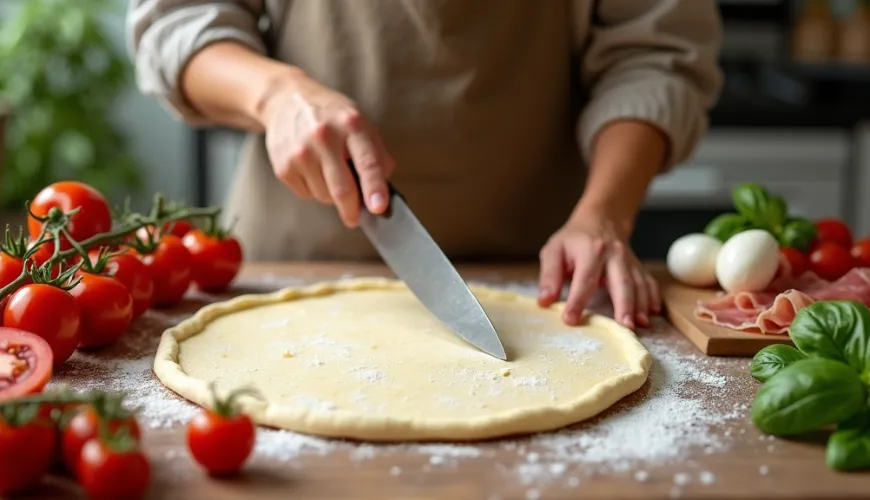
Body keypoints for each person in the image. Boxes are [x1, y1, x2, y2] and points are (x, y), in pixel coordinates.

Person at [127, 0, 723, 330]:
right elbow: (178, 22)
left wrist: (604, 214)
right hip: (285, 262)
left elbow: (656, 55)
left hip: (551, 275)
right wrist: (275, 95)